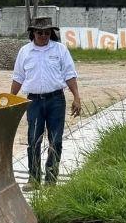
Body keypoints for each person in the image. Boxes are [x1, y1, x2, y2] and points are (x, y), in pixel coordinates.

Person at [10, 16, 83, 188]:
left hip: (56, 101)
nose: (43, 35)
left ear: (51, 33)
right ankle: (34, 179)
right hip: (33, 102)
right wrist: (10, 99)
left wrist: (77, 97)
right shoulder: (25, 52)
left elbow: (69, 75)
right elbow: (18, 78)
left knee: (55, 140)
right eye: (39, 32)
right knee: (33, 139)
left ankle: (51, 180)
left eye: (47, 32)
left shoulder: (60, 50)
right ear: (32, 33)